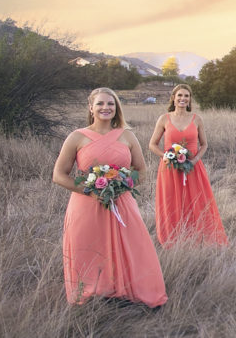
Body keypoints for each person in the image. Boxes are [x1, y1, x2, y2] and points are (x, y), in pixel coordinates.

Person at [51, 87, 167, 307]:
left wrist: (122, 186)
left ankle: (130, 293)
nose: (106, 108)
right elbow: (58, 175)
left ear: (116, 108)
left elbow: (141, 171)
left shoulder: (127, 135)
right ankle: (92, 297)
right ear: (91, 108)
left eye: (110, 104)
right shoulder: (77, 136)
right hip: (86, 205)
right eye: (100, 104)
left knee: (132, 248)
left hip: (121, 202)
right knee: (89, 249)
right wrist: (91, 190)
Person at [147, 84, 227, 246]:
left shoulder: (196, 119)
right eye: (180, 96)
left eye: (186, 96)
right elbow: (152, 145)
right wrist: (167, 156)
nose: (183, 99)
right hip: (169, 168)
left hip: (193, 168)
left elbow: (204, 145)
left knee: (196, 202)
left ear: (190, 99)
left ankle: (198, 239)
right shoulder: (164, 119)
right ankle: (172, 240)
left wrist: (194, 161)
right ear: (173, 98)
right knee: (171, 203)